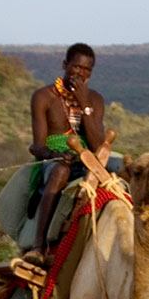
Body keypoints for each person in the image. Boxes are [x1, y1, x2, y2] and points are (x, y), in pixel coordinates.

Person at [26, 43, 108, 256]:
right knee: (60, 172)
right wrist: (56, 156)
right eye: (76, 67)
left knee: (125, 171)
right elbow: (37, 146)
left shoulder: (95, 100)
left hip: (88, 156)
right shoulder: (44, 97)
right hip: (53, 159)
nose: (81, 73)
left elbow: (99, 145)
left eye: (87, 70)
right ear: (65, 65)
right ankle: (38, 245)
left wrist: (84, 104)